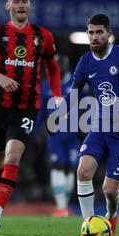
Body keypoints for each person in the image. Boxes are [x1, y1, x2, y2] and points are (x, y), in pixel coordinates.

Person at [55, 14, 119, 236]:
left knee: (109, 190)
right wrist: (63, 111)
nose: (94, 37)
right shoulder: (86, 61)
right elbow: (75, 90)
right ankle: (88, 228)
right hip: (99, 126)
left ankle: (112, 214)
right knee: (83, 171)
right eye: (90, 32)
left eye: (99, 32)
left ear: (109, 34)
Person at [0, 0, 61, 232]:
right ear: (8, 5)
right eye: (16, 1)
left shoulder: (43, 36)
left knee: (13, 156)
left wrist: (56, 95)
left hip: (26, 107)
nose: (21, 5)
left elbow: (52, 68)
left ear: (30, 5)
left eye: (25, 1)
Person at [35, 55, 82, 217]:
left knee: (70, 170)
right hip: (54, 134)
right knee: (58, 166)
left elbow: (87, 105)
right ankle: (61, 207)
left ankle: (64, 205)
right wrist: (35, 132)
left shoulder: (76, 84)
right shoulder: (46, 85)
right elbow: (40, 112)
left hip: (73, 133)